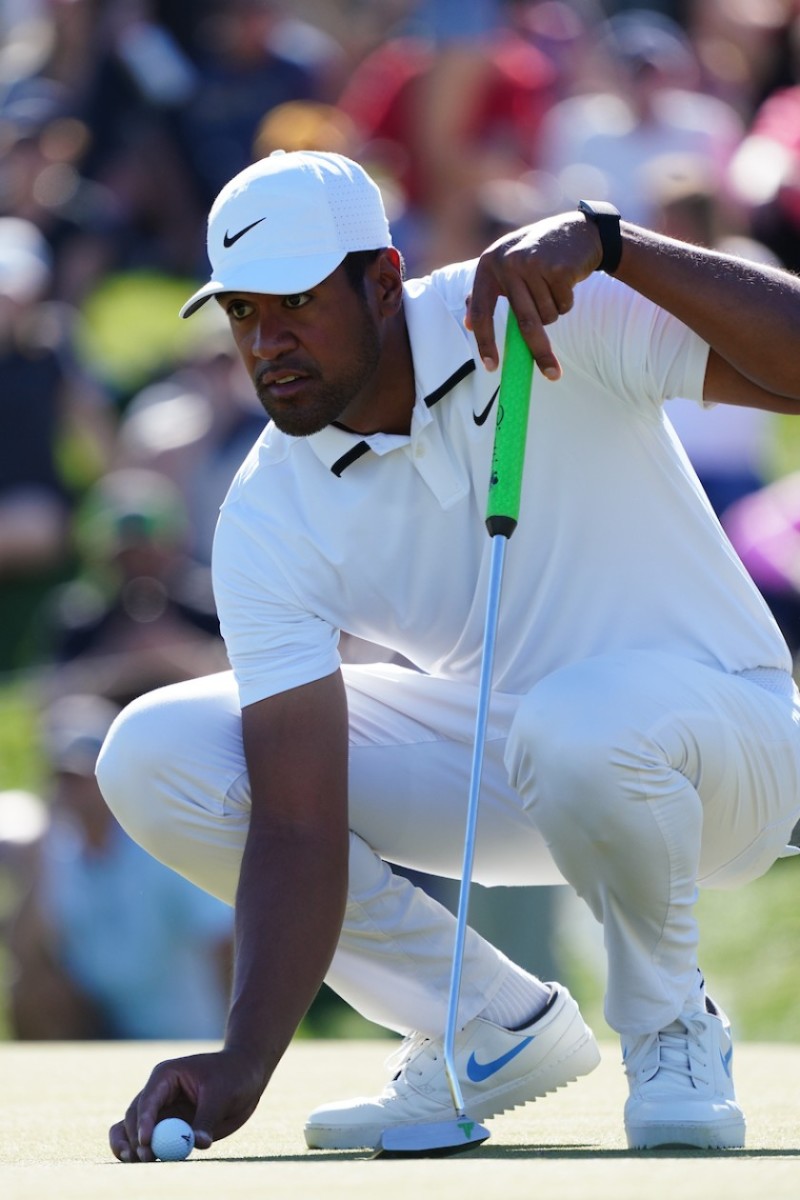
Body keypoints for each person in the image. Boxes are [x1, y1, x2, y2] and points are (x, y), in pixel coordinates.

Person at [96, 149, 800, 1162]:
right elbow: (295, 824)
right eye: (242, 313)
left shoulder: (536, 313)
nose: (267, 341)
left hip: (732, 748)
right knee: (155, 756)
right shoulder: (267, 510)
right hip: (523, 768)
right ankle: (483, 1026)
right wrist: (244, 1058)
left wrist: (611, 245)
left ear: (382, 281)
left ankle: (667, 1024)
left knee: (582, 723)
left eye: (293, 301)